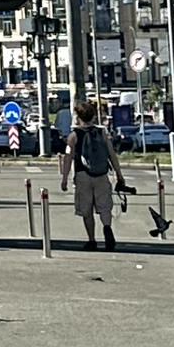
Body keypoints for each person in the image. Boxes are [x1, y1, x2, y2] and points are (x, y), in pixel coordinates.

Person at [60, 100, 128, 250]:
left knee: (86, 209)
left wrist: (65, 178)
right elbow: (112, 154)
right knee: (104, 206)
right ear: (92, 117)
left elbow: (68, 158)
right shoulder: (102, 132)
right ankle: (107, 228)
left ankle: (91, 240)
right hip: (101, 174)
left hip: (82, 175)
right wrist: (119, 175)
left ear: (78, 117)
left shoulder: (73, 136)